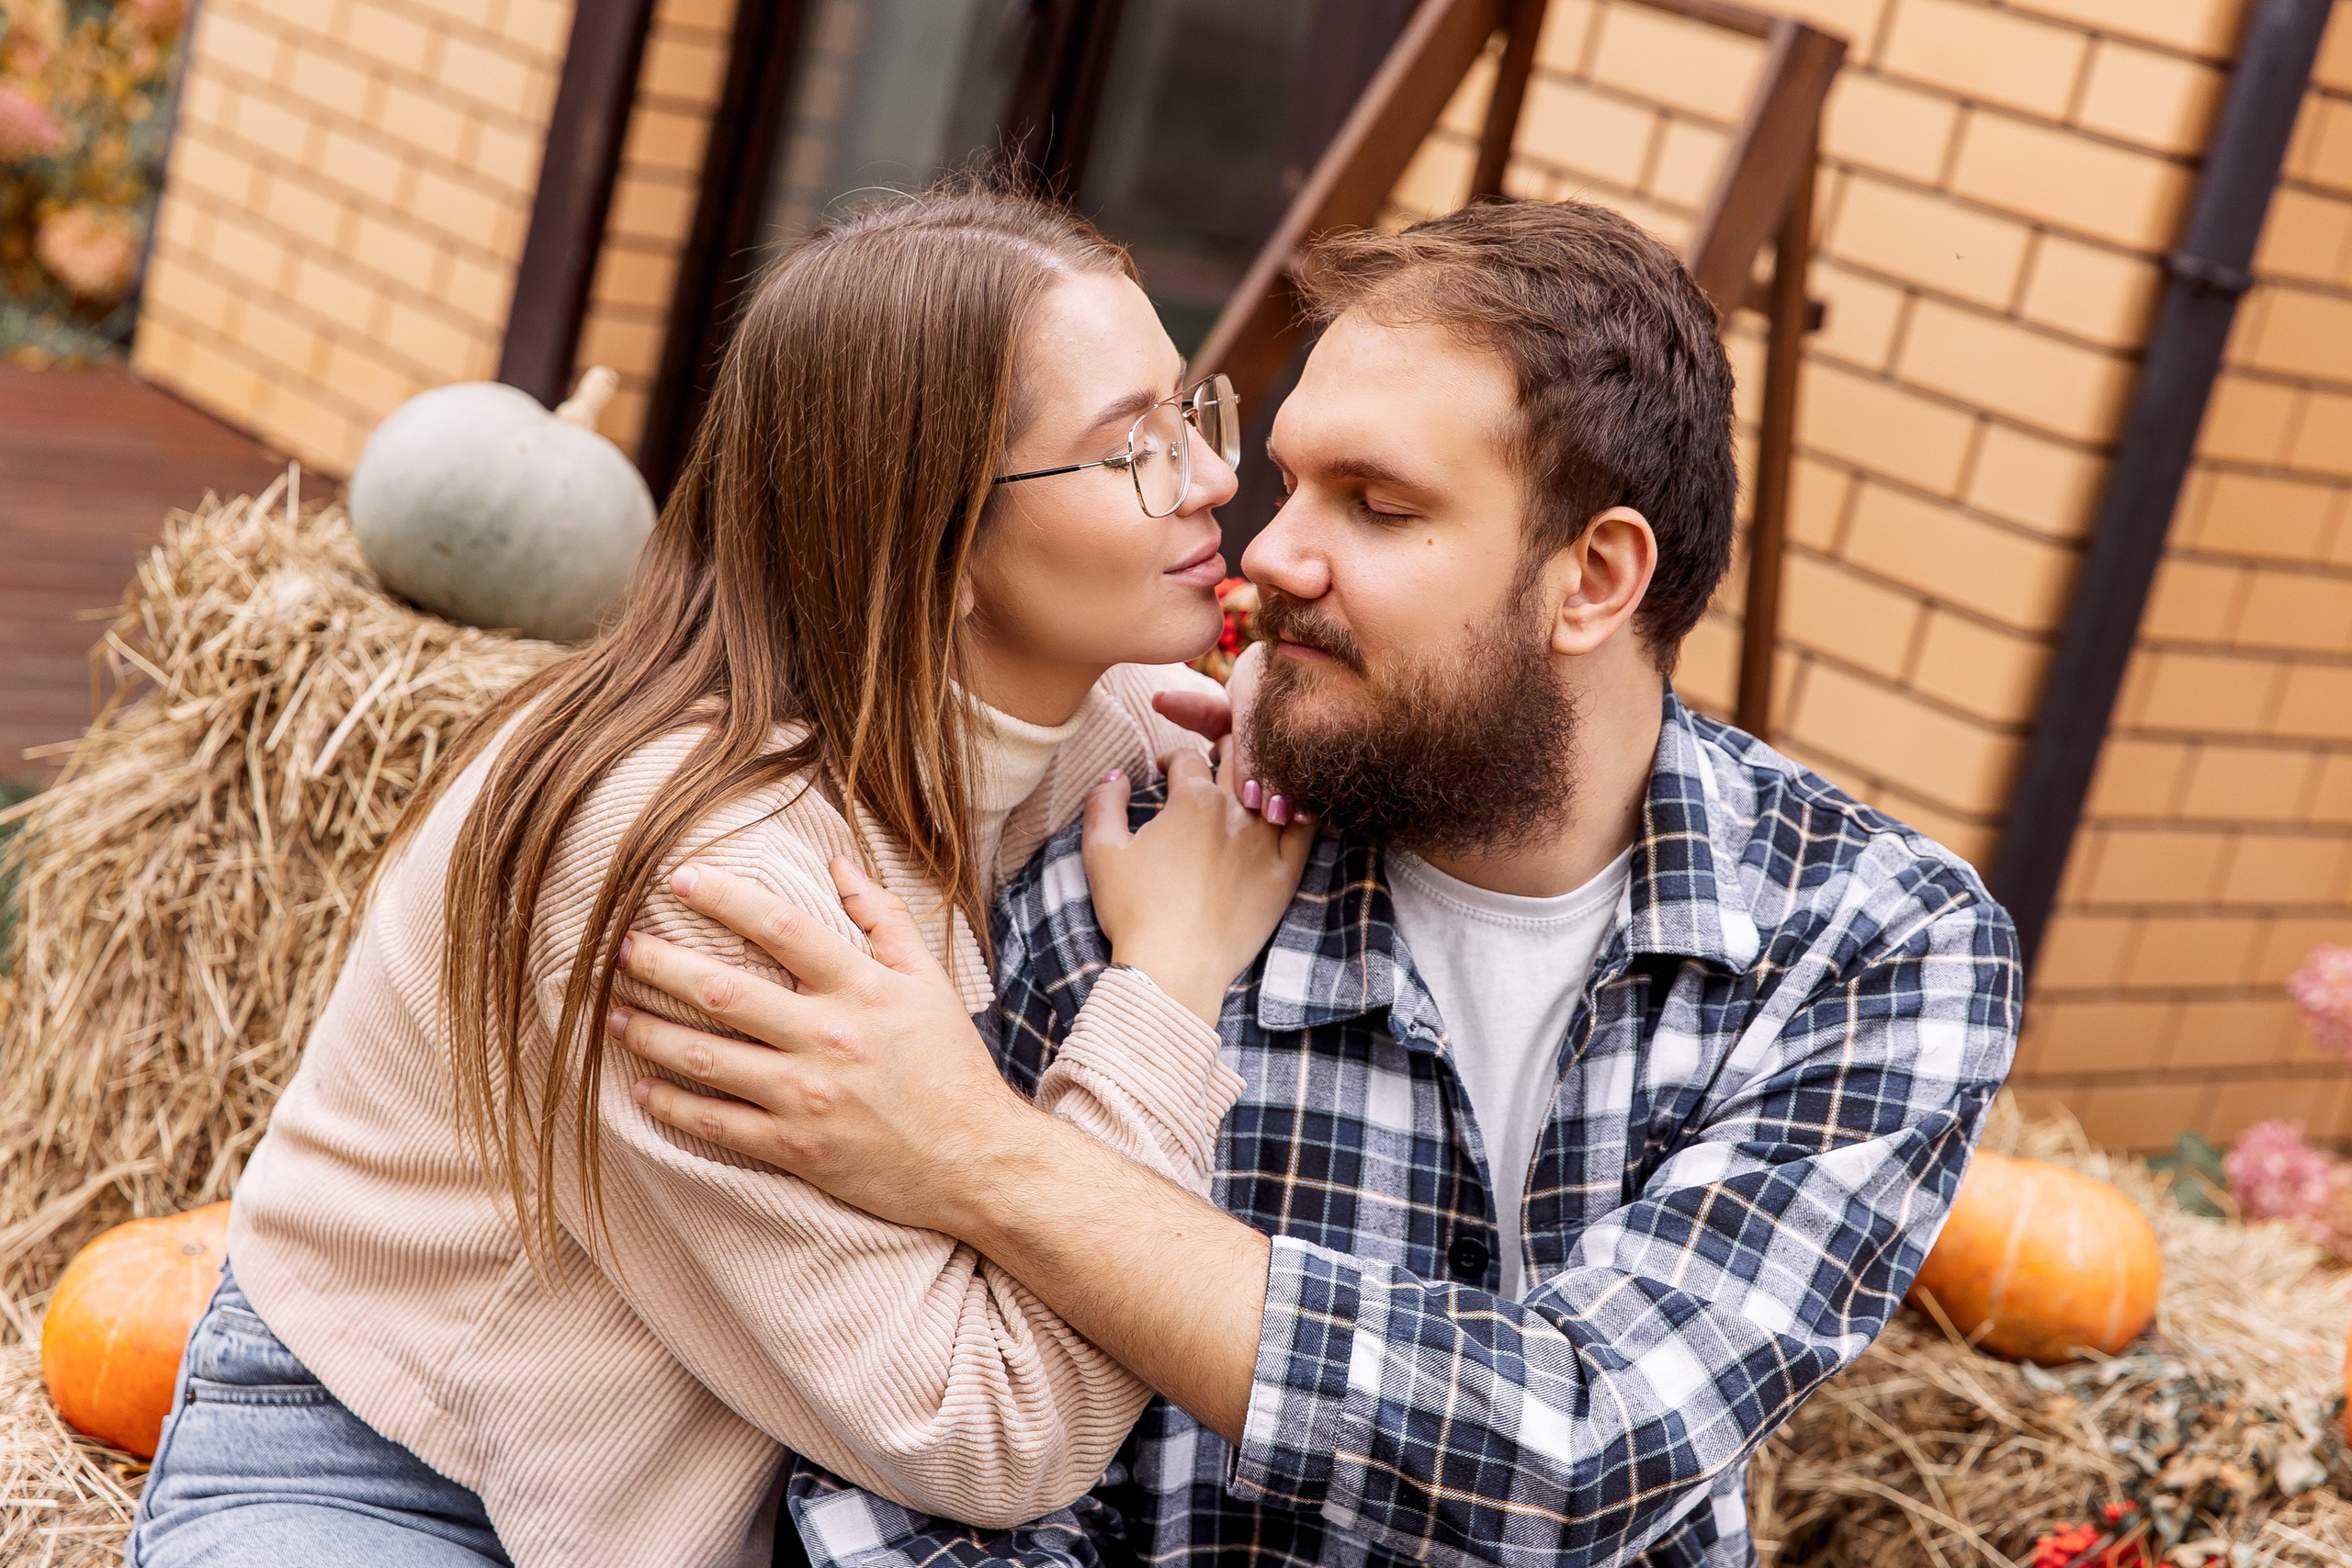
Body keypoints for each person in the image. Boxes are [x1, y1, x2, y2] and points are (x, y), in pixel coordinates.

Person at [614, 197, 2025, 1568]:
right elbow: (896, 1495)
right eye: (1292, 479)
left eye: (1379, 505)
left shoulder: (1873, 944)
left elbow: (1584, 1456)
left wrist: (979, 1150)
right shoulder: (1147, 843)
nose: (1269, 549)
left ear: (1593, 578)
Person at [129, 182, 1318, 1568]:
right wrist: (1165, 987)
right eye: (1133, 451)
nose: (1214, 480)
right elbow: (991, 1429)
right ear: (932, 537)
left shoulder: (1102, 720)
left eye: (1190, 412)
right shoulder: (693, 872)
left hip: (730, 1498)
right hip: (401, 1481)